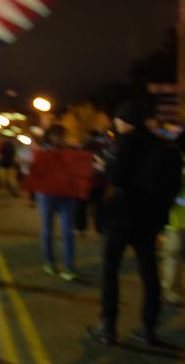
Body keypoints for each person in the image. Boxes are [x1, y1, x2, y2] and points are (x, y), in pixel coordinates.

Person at [88, 99, 181, 346]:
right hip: (149, 220)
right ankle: (149, 328)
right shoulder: (164, 146)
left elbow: (118, 178)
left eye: (118, 120)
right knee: (150, 274)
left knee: (111, 272)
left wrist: (104, 166)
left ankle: (108, 326)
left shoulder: (125, 144)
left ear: (124, 121)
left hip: (121, 217)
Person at [30, 126, 79, 281]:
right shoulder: (40, 151)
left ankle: (69, 266)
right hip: (46, 194)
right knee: (47, 230)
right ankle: (49, 262)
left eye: (61, 135)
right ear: (49, 136)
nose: (59, 138)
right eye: (55, 135)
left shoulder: (70, 150)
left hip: (66, 194)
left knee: (68, 232)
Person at [160, 130, 185, 306]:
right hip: (176, 219)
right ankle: (171, 290)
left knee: (173, 257)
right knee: (172, 256)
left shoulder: (174, 161)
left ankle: (172, 290)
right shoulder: (176, 163)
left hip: (176, 218)